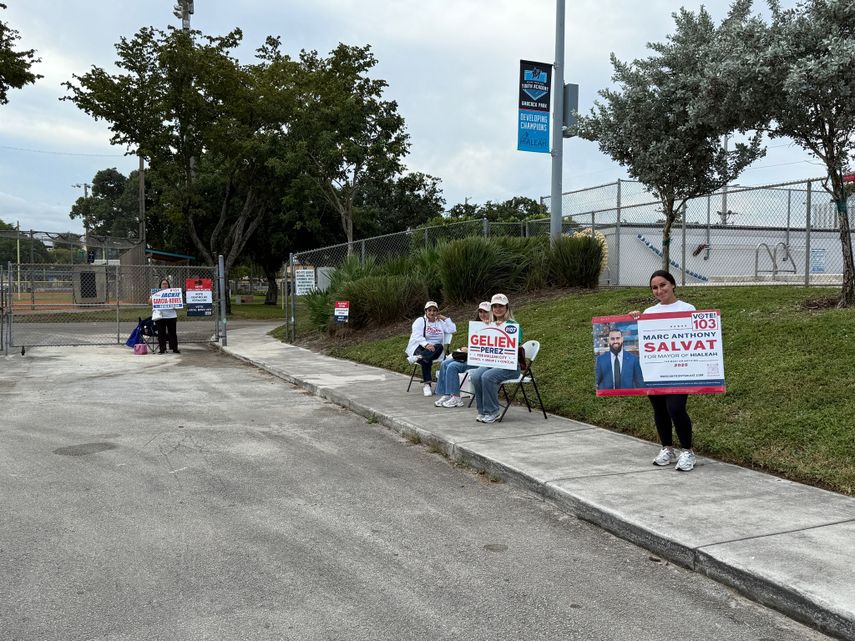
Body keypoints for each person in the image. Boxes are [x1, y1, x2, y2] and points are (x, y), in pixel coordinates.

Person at [630, 270, 696, 471]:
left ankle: (687, 451)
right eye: (654, 287)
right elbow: (640, 341)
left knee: (675, 408)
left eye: (663, 285)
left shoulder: (688, 308)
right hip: (655, 371)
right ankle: (667, 448)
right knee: (659, 410)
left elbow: (695, 339)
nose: (659, 290)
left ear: (673, 284)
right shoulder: (649, 313)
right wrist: (634, 321)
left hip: (679, 371)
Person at [470, 293, 523, 424]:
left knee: (487, 377)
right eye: (495, 306)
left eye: (501, 306)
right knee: (476, 375)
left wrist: (502, 329)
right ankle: (482, 411)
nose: (498, 309)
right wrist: (488, 327)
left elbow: (514, 347)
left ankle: (493, 411)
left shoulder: (513, 326)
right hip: (492, 362)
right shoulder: (489, 324)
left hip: (510, 366)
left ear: (507, 308)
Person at [434, 301, 491, 408]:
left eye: (486, 312)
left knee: (452, 366)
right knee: (445, 363)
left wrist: (470, 350)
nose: (482, 314)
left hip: (483, 360)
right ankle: (447, 394)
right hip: (472, 356)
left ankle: (456, 398)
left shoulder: (495, 327)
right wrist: (468, 349)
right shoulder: (477, 326)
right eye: (480, 312)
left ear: (491, 313)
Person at [405, 301, 456, 397]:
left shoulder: (440, 322)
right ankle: (427, 384)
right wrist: (426, 344)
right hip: (420, 346)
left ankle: (419, 358)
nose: (432, 313)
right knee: (426, 359)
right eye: (429, 310)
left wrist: (444, 318)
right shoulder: (420, 321)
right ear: (425, 311)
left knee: (439, 347)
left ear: (437, 312)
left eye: (434, 310)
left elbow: (453, 329)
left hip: (436, 349)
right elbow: (417, 336)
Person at [152, 278, 180, 354]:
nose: (164, 285)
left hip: (171, 316)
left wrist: (176, 306)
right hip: (160, 316)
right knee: (161, 333)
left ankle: (174, 348)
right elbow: (149, 302)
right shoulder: (156, 293)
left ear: (168, 285)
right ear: (160, 285)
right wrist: (153, 298)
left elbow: (178, 304)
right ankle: (162, 349)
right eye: (163, 284)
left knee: (173, 333)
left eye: (166, 284)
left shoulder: (173, 293)